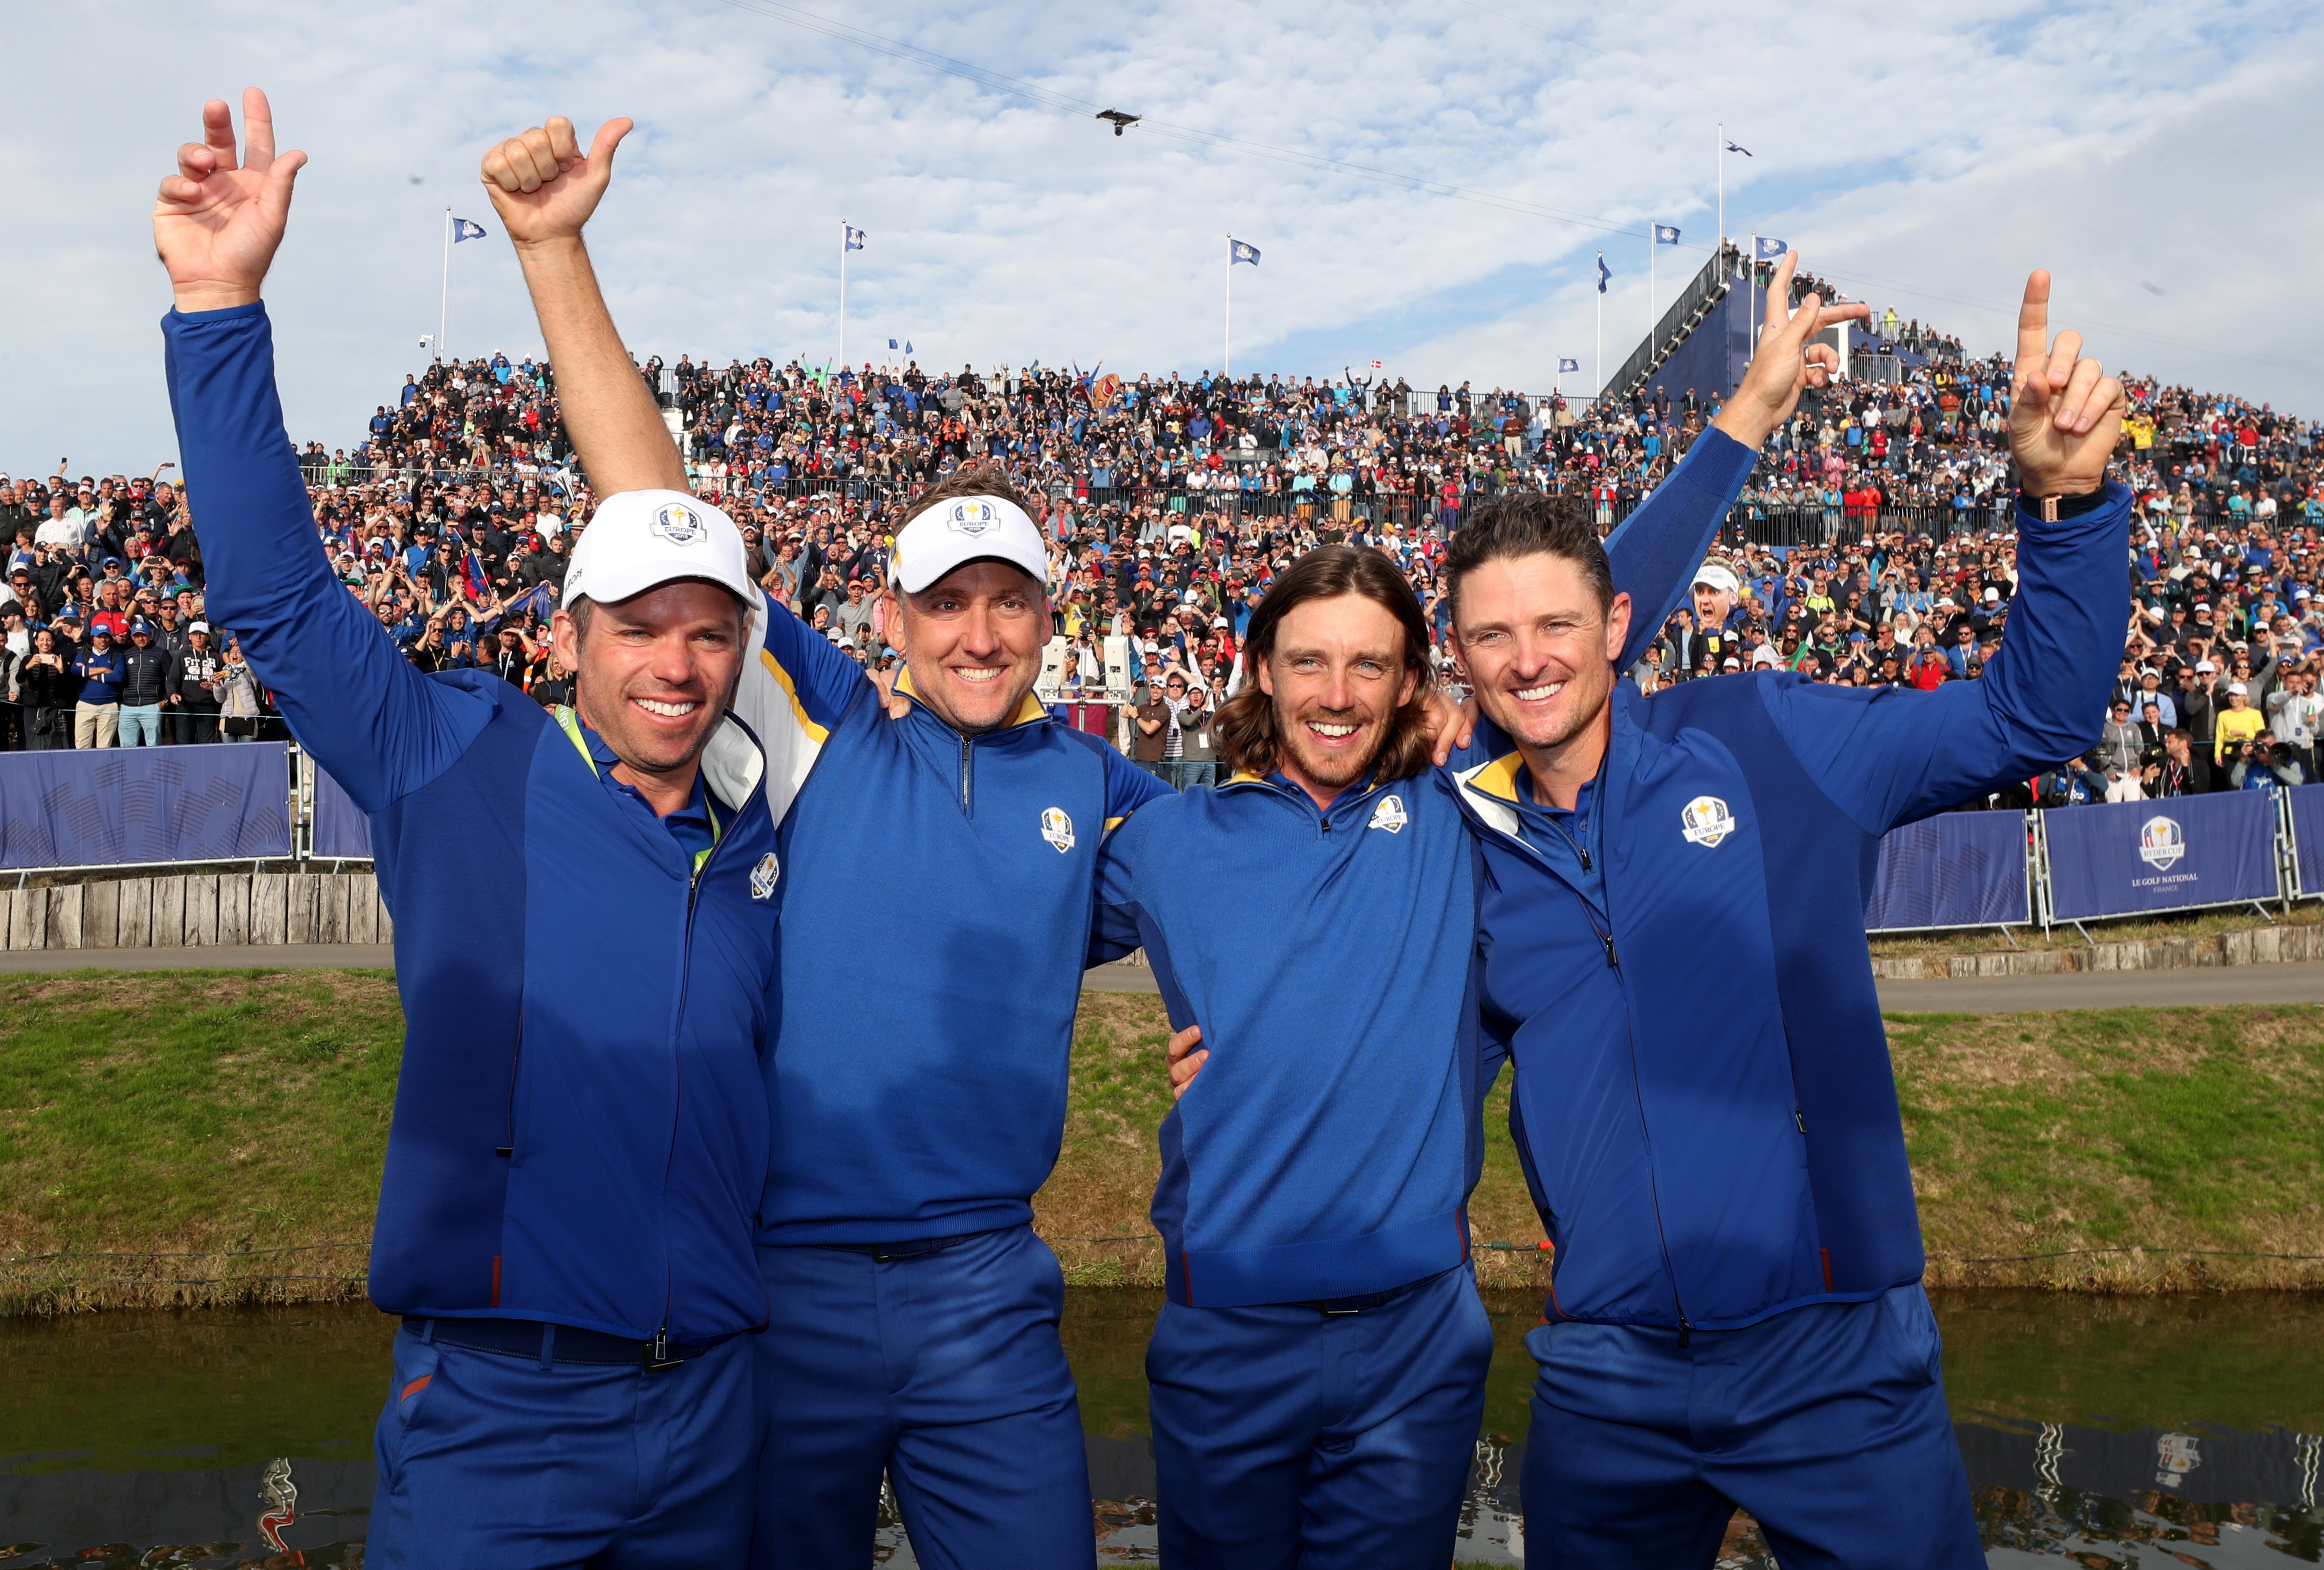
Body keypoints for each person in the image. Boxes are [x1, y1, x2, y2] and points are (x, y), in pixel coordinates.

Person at [477, 113, 1202, 1570]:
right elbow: (647, 508)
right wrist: (554, 248)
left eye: (1010, 602)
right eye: (947, 602)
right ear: (892, 619)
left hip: (986, 1294)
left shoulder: (1109, 788)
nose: (980, 633)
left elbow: (1262, 888)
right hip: (780, 1283)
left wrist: (1228, 1019)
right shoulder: (822, 731)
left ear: (1053, 618)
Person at [1093, 249, 1859, 1568]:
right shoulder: (1165, 839)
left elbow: (1601, 601)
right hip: (1226, 1335)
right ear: (1259, 671)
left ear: (1410, 688)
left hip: (1413, 1344)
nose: (1335, 693)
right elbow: (982, 908)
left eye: (1370, 666)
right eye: (1307, 662)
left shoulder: (1460, 796)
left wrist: (1740, 420)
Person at [156, 89, 790, 1568]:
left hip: (713, 1409)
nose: (674, 661)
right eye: (637, 626)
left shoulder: (765, 822)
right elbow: (278, 601)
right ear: (568, 635)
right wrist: (216, 302)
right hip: (504, 1410)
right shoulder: (457, 756)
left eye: (708, 632)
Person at [1441, 269, 2130, 1567]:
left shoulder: (1765, 740)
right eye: (1490, 636)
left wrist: (2067, 504)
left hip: (1832, 1363)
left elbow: (2032, 717)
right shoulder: (1465, 843)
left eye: (1554, 624)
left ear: (1619, 628)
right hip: (1604, 1379)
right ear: (1460, 660)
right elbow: (1410, 1086)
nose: (1526, 657)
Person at [116, 621, 172, 746]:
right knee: (127, 746)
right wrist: (121, 701)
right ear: (132, 637)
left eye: (144, 635)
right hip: (128, 707)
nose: (140, 639)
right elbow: (121, 678)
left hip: (152, 705)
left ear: (150, 635)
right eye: (137, 636)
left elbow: (171, 677)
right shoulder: (127, 654)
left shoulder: (161, 653)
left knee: (153, 745)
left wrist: (166, 700)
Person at [167, 621, 223, 744]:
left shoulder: (216, 658)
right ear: (189, 637)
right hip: (186, 706)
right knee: (184, 744)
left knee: (206, 745)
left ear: (208, 637)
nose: (198, 637)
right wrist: (173, 694)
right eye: (195, 634)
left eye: (202, 634)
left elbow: (223, 683)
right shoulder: (181, 656)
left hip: (208, 707)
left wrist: (214, 686)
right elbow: (172, 680)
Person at [70, 622, 123, 747]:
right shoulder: (84, 655)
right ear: (92, 639)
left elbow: (118, 677)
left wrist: (88, 673)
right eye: (99, 637)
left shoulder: (117, 656)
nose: (103, 640)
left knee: (104, 747)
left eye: (106, 637)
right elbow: (76, 671)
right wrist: (104, 670)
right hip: (85, 704)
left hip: (109, 706)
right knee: (82, 746)